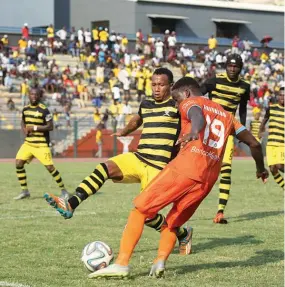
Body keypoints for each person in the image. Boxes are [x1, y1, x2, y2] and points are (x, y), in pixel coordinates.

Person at [87, 77, 268, 279]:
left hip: (186, 168)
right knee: (172, 222)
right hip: (207, 181)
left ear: (186, 93)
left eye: (176, 98)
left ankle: (121, 264)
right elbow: (254, 144)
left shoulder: (190, 102)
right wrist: (261, 169)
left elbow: (196, 114)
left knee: (140, 210)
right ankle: (160, 261)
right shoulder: (227, 116)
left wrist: (194, 131)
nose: (176, 103)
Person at [44, 68, 193, 255]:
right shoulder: (146, 103)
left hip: (159, 168)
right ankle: (71, 203)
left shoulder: (177, 105)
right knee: (105, 167)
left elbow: (192, 120)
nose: (156, 89)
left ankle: (182, 232)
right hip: (139, 157)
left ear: (171, 86)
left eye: (161, 85)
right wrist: (124, 131)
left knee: (146, 216)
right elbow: (137, 120)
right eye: (154, 84)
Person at [200, 53, 250, 224]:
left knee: (226, 170)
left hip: (228, 132)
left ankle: (220, 211)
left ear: (240, 68)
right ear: (226, 66)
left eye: (236, 66)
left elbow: (242, 109)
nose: (232, 69)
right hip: (210, 132)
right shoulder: (213, 81)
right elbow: (198, 95)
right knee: (201, 169)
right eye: (230, 65)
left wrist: (242, 130)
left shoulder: (244, 86)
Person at [14, 88, 69, 200]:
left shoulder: (44, 110)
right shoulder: (25, 109)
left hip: (41, 144)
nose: (34, 96)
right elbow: (23, 121)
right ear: (28, 95)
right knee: (18, 163)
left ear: (39, 96)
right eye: (32, 94)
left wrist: (34, 128)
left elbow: (50, 126)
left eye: (36, 94)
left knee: (50, 168)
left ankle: (64, 191)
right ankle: (25, 191)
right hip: (28, 143)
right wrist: (24, 129)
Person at [259, 87, 284, 188]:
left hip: (282, 144)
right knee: (273, 169)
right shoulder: (271, 108)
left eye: (284, 95)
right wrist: (260, 130)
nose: (283, 97)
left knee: (279, 165)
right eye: (281, 95)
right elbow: (264, 120)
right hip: (270, 144)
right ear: (278, 96)